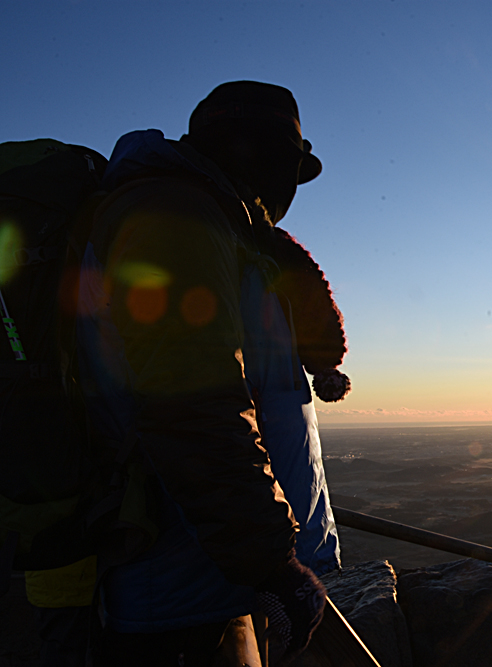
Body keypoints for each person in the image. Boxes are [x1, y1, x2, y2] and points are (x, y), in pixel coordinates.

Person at [75, 81, 349, 666]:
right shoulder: (174, 218)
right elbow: (193, 406)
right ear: (267, 154)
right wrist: (273, 561)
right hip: (175, 589)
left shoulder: (227, 232)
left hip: (218, 574)